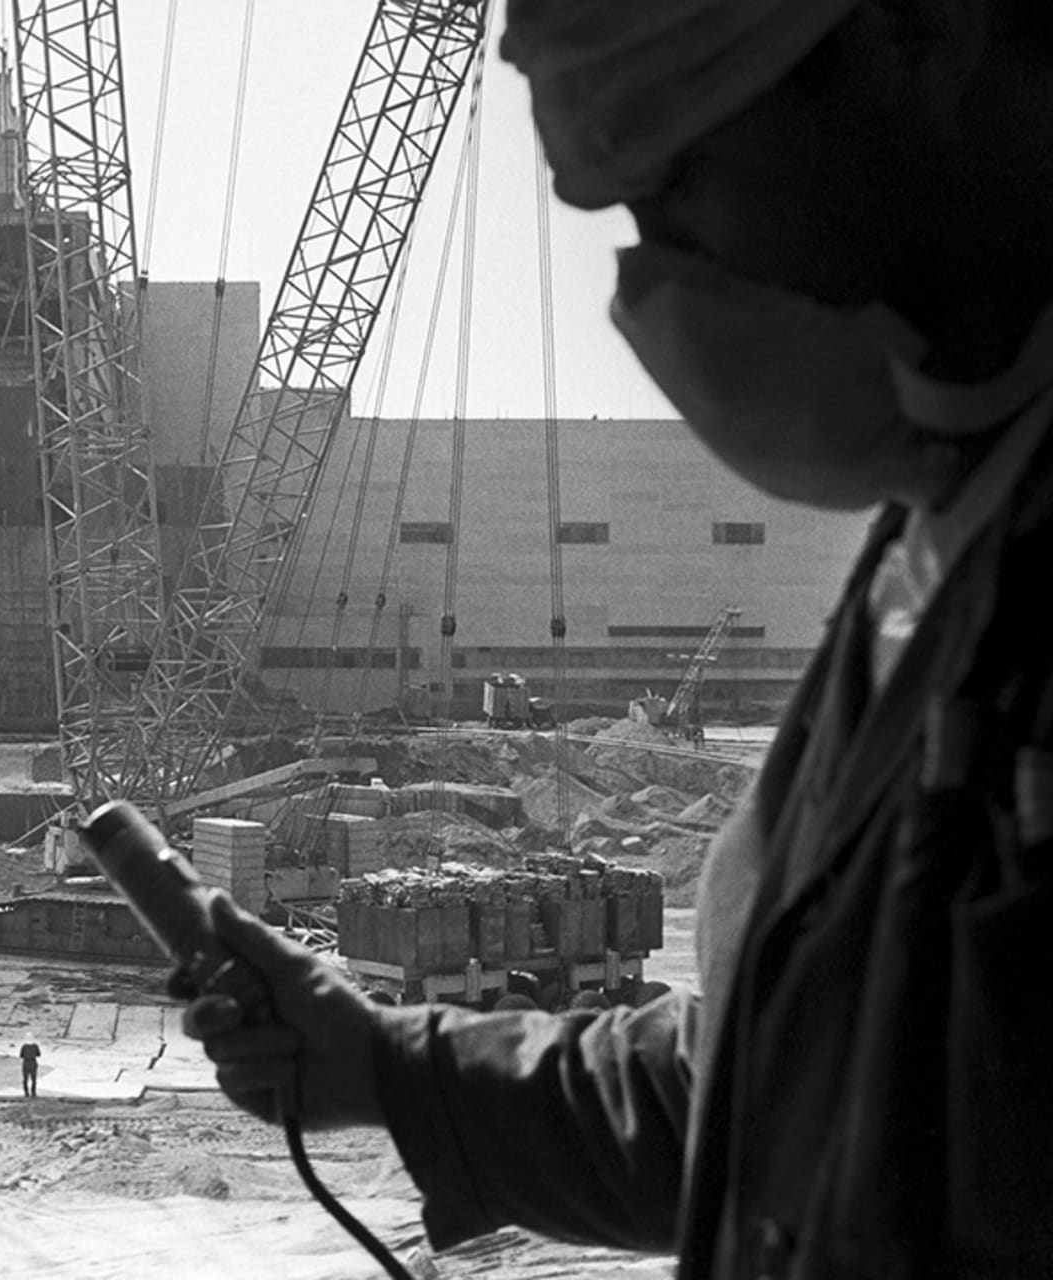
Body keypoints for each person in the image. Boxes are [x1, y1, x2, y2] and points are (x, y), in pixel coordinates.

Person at [182, 3, 1053, 1276]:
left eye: (680, 177)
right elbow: (771, 1098)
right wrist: (397, 1068)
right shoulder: (942, 528)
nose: (656, 283)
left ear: (920, 36)